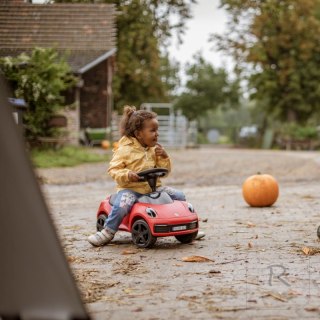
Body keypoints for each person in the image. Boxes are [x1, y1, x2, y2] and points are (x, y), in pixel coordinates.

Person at [88, 105, 187, 246]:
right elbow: (113, 170)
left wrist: (164, 157)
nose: (157, 134)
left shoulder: (154, 149)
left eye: (157, 130)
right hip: (132, 190)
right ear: (139, 133)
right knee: (123, 204)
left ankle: (184, 229)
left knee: (179, 196)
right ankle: (107, 231)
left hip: (153, 189)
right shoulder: (124, 149)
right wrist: (127, 174)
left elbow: (164, 171)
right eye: (152, 130)